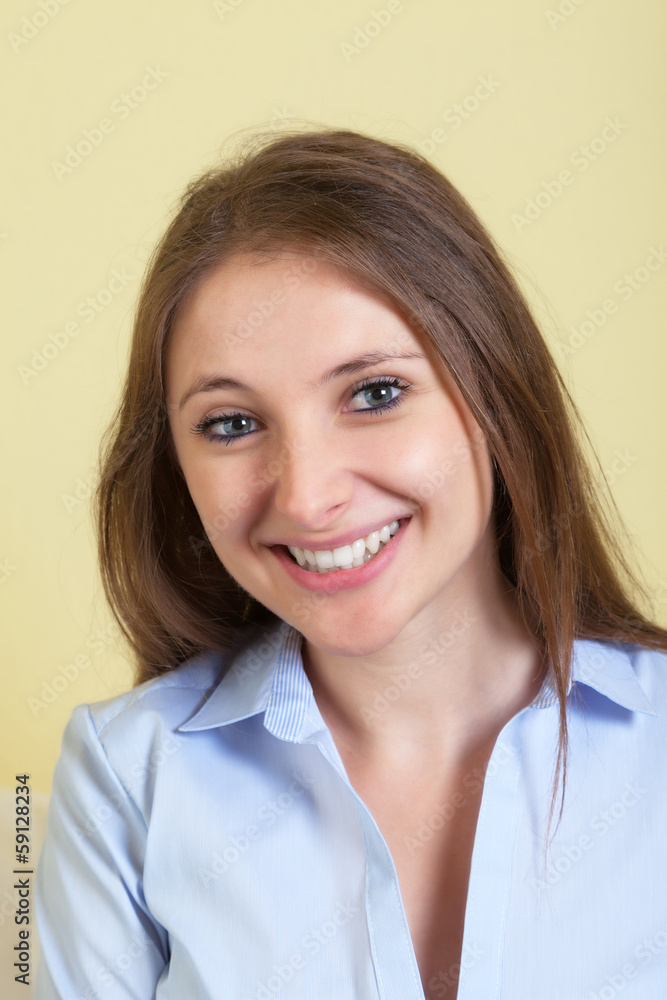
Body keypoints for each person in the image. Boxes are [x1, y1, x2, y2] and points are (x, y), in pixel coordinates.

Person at [34, 127, 667, 1000]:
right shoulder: (122, 779)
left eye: (373, 394)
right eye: (230, 423)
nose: (306, 495)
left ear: (493, 392)